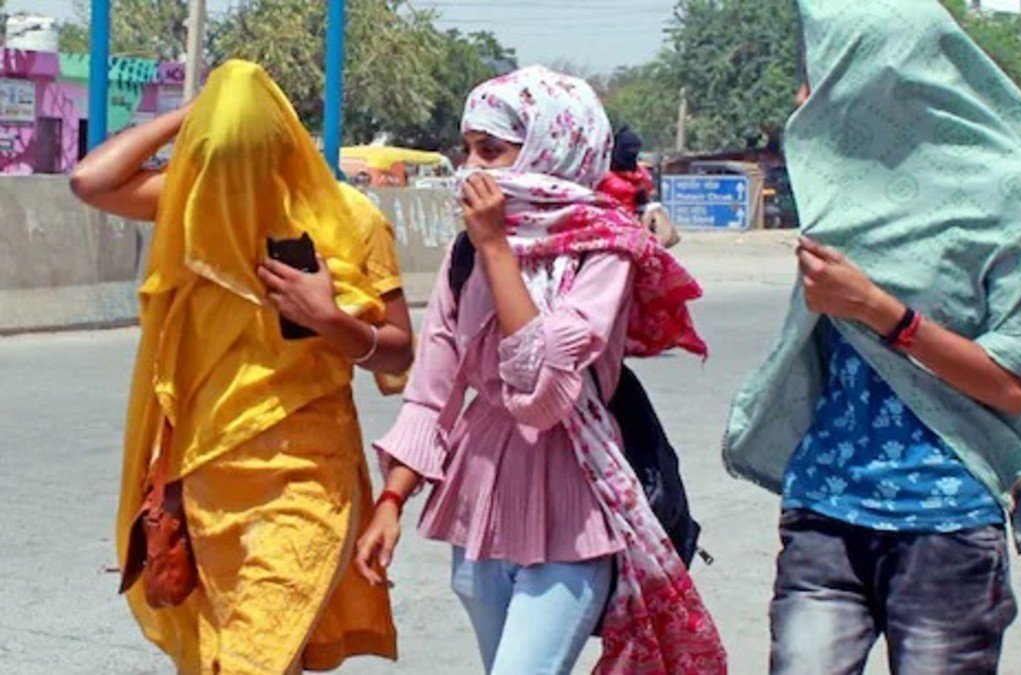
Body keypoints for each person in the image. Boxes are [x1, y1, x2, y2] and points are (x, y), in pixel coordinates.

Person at [722, 2, 1021, 674]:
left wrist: (882, 312)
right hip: (824, 505)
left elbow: (1010, 385)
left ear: (882, 72)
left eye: (822, 72)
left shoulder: (1003, 193)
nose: (803, 96)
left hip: (946, 518)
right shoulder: (839, 188)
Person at [356, 66, 726, 674]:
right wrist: (392, 500)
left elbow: (545, 387)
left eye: (491, 151)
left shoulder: (605, 249)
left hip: (573, 506)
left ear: (550, 150)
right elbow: (432, 391)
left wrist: (496, 248)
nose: (471, 169)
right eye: (468, 149)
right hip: (479, 506)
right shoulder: (463, 251)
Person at [69, 60, 415, 673]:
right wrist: (194, 112)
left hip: (307, 480)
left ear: (280, 146)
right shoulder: (193, 207)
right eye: (213, 158)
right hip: (206, 482)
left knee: (255, 657)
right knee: (235, 657)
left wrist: (328, 318)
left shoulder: (350, 217)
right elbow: (89, 180)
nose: (228, 177)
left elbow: (397, 349)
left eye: (244, 155)